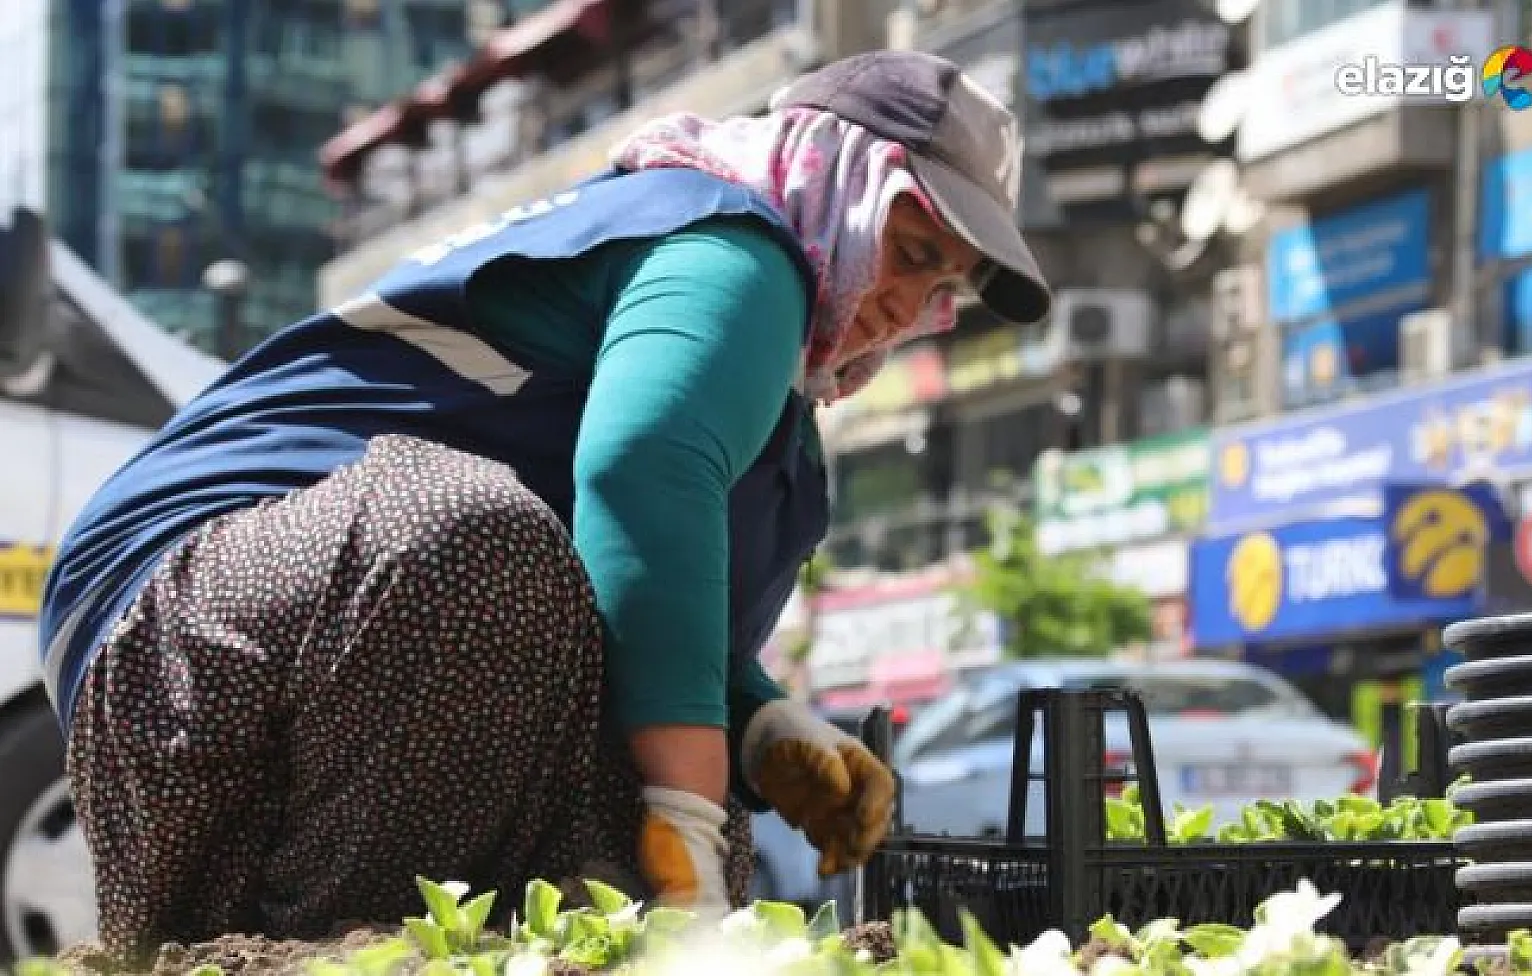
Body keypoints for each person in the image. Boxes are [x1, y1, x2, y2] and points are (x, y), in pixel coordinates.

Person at [39, 50, 1052, 953]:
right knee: (500, 575)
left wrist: (753, 724)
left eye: (941, 290)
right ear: (831, 179)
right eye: (912, 250)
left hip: (265, 675)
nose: (905, 306)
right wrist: (685, 809)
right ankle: (356, 949)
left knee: (661, 783)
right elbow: (640, 473)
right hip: (173, 632)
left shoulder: (765, 374)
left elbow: (612, 571)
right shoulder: (733, 252)